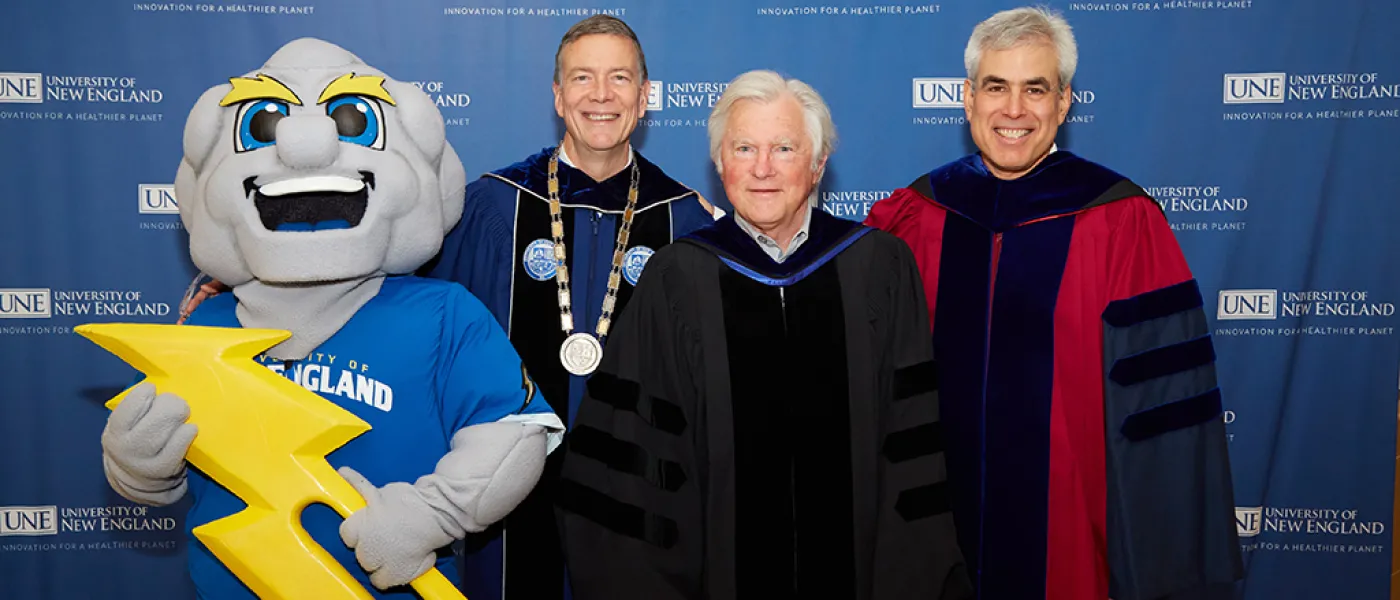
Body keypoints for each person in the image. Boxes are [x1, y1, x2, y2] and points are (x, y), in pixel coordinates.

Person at [98, 38, 563, 599]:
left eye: (352, 121)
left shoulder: (442, 314)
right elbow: (157, 471)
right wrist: (140, 469)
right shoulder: (204, 328)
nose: (306, 143)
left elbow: (514, 433)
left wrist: (430, 514)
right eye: (264, 126)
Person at [864, 7, 1242, 600]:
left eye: (1035, 89)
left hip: (1070, 540)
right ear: (968, 98)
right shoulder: (915, 215)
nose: (1013, 110)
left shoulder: (1120, 221)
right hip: (933, 535)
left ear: (1064, 103)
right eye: (996, 87)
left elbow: (1163, 415)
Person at [555, 69, 972, 600]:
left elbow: (911, 457)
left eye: (784, 148)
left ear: (819, 164)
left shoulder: (879, 270)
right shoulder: (677, 279)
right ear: (719, 162)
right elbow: (632, 473)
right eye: (744, 147)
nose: (762, 169)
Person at [420, 14, 717, 600]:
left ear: (645, 95)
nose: (601, 96)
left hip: (644, 497)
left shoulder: (684, 221)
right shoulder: (490, 208)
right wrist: (248, 286)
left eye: (620, 78)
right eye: (582, 78)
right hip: (508, 497)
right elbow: (397, 294)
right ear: (558, 96)